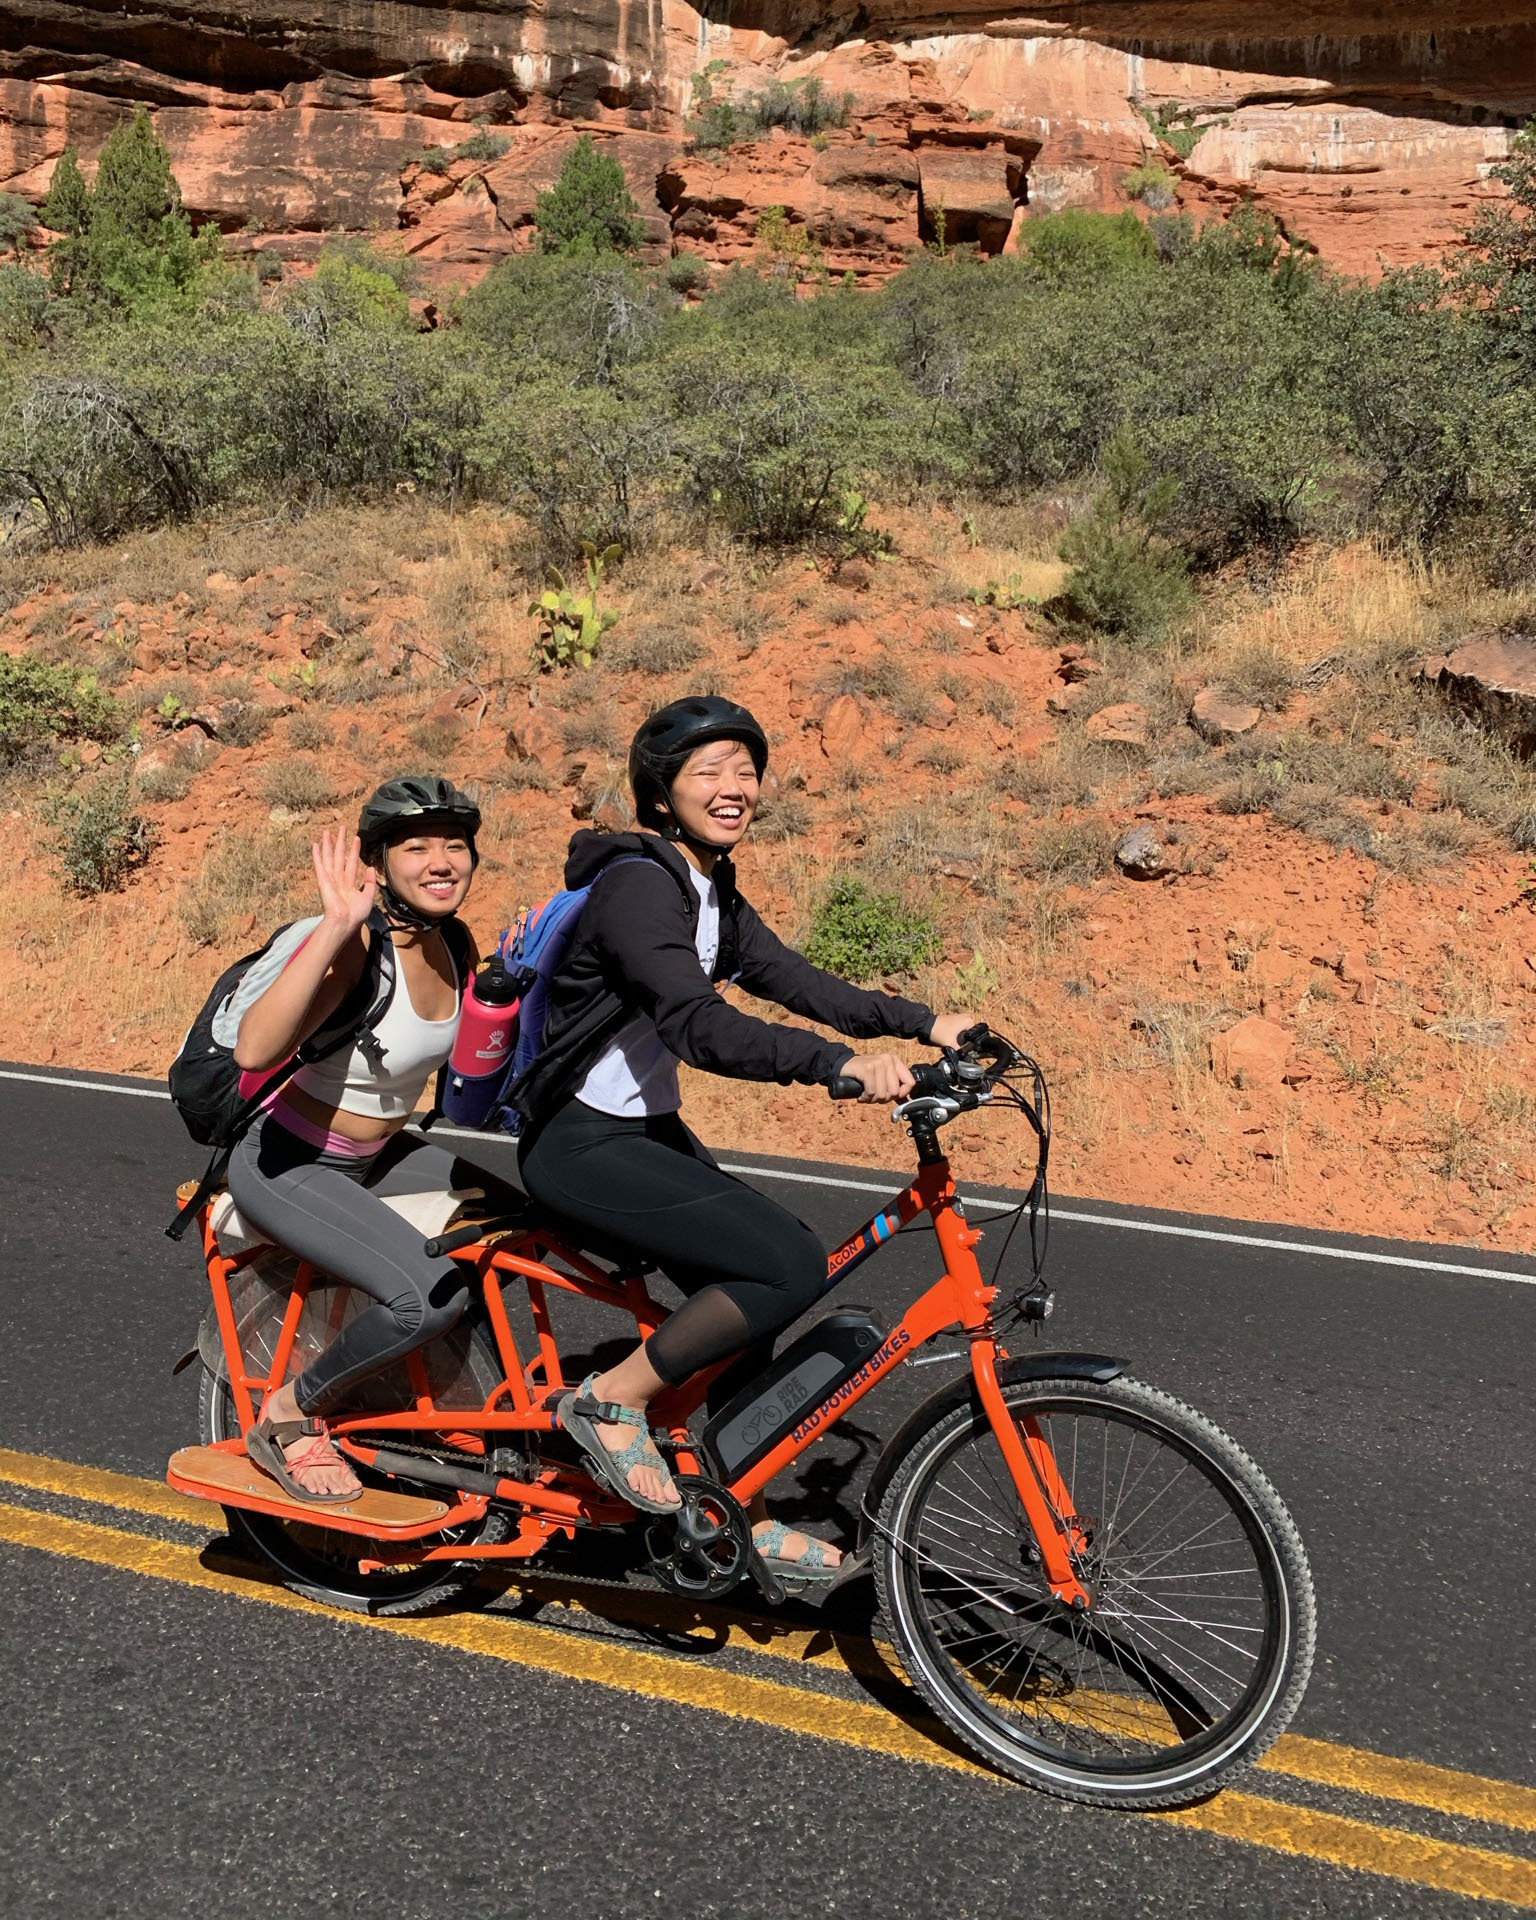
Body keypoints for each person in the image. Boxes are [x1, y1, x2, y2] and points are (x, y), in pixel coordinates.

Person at [515, 697, 975, 1581]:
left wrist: (926, 1023)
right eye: (707, 772)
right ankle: (608, 1404)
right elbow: (697, 1025)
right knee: (785, 1266)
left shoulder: (707, 888)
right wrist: (839, 1066)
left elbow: (792, 979)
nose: (734, 789)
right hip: (578, 1143)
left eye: (745, 769)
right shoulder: (637, 885)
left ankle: (735, 1509)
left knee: (753, 1301)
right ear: (661, 793)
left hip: (638, 1130)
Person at [227, 775, 509, 1503]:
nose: (442, 862)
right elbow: (256, 1050)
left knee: (515, 1238)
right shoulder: (359, 947)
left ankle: (417, 1385)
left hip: (379, 1157)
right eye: (416, 848)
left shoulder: (455, 944)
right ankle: (289, 1415)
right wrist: (332, 927)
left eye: (455, 846)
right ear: (378, 864)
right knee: (428, 1296)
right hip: (291, 1162)